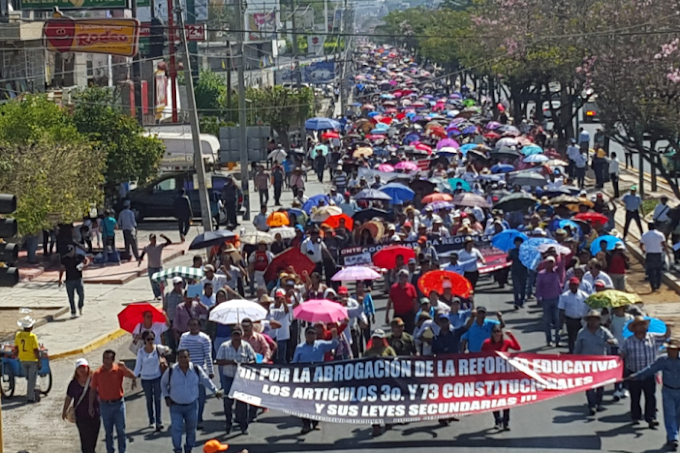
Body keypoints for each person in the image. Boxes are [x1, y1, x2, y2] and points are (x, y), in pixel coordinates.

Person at [161, 349, 223, 453]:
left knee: (191, 429)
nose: (183, 360)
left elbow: (206, 380)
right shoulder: (171, 370)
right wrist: (166, 396)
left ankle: (189, 448)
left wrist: (215, 391)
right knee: (176, 429)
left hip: (192, 405)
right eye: (180, 357)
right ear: (177, 358)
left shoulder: (196, 369)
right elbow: (163, 383)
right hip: (176, 406)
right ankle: (178, 449)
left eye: (185, 357)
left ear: (189, 358)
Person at [629, 338, 680, 451]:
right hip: (668, 390)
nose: (671, 351)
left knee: (677, 415)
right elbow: (651, 369)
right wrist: (637, 376)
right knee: (670, 414)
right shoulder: (663, 360)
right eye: (669, 349)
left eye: (673, 349)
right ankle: (673, 438)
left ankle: (672, 434)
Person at [620, 316, 671, 428]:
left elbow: (666, 337)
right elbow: (622, 354)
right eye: (638, 325)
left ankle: (651, 418)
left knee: (650, 396)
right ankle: (635, 417)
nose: (641, 327)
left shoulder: (653, 338)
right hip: (633, 373)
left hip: (649, 373)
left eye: (643, 324)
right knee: (635, 397)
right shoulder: (628, 341)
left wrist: (668, 328)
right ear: (634, 328)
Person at [292, 326, 338, 434]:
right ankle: (306, 424)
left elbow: (334, 344)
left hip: (317, 376)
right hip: (304, 377)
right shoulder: (300, 347)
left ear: (315, 336)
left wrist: (335, 335)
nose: (311, 336)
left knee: (316, 400)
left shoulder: (321, 345)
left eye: (313, 334)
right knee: (304, 402)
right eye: (309, 334)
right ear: (305, 335)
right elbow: (294, 362)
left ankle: (316, 422)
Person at [89, 349, 137, 453]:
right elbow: (92, 390)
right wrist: (91, 406)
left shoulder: (118, 370)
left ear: (113, 359)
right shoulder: (97, 373)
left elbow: (133, 375)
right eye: (104, 358)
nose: (106, 361)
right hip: (105, 405)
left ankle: (122, 451)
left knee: (121, 431)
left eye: (108, 358)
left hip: (118, 404)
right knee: (108, 432)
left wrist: (125, 368)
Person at [574, 310, 617, 415]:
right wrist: (575, 361)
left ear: (599, 321)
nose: (593, 322)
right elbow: (577, 348)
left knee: (600, 385)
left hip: (601, 363)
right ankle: (591, 405)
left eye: (595, 320)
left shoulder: (603, 331)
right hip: (587, 363)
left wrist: (611, 342)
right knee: (589, 385)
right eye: (591, 320)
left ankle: (598, 402)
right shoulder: (582, 333)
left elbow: (615, 341)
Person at [216, 327, 257, 434]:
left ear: (241, 335)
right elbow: (219, 361)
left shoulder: (246, 346)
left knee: (242, 403)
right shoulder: (224, 346)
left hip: (241, 378)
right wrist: (230, 362)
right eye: (235, 334)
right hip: (228, 377)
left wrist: (246, 364)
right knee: (228, 402)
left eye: (238, 334)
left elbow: (254, 359)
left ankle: (244, 426)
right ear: (231, 335)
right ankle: (228, 423)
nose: (237, 336)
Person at [178, 318, 214, 429]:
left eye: (195, 325)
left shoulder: (204, 338)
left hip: (200, 371)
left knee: (200, 398)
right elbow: (180, 352)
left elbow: (208, 355)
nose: (193, 327)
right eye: (191, 325)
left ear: (199, 326)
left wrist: (210, 370)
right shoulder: (184, 337)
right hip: (186, 371)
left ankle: (199, 419)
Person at [481, 325, 520, 429]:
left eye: (498, 332)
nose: (496, 334)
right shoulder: (486, 343)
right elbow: (481, 357)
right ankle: (497, 420)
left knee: (506, 398)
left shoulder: (505, 343)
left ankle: (506, 422)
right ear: (492, 333)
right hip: (491, 375)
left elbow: (517, 348)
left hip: (504, 375)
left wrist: (511, 336)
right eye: (494, 332)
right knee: (494, 398)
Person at [63, 358, 101, 453]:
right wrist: (64, 411)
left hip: (95, 414)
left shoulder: (94, 380)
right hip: (81, 416)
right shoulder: (73, 384)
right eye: (79, 368)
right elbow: (68, 398)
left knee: (92, 441)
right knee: (85, 441)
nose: (82, 370)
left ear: (88, 368)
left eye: (83, 367)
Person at [133, 331, 169, 431]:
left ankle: (159, 421)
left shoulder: (157, 348)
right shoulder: (141, 352)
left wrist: (166, 350)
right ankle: (151, 420)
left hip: (157, 377)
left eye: (152, 339)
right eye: (148, 339)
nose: (150, 341)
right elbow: (138, 366)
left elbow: (168, 350)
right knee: (149, 400)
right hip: (145, 379)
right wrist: (134, 377)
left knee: (157, 400)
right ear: (144, 340)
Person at [536, 256, 563, 347]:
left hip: (556, 298)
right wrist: (538, 297)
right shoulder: (541, 274)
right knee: (547, 321)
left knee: (557, 320)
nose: (550, 264)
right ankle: (549, 340)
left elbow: (562, 266)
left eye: (552, 262)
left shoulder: (556, 272)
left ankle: (558, 340)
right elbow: (538, 286)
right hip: (546, 299)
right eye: (548, 262)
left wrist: (562, 257)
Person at [559, 277, 590, 353]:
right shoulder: (564, 296)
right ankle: (572, 352)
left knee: (582, 337)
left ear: (578, 285)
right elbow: (561, 309)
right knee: (571, 337)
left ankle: (581, 352)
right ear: (569, 286)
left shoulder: (584, 296)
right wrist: (561, 322)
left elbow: (589, 308)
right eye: (572, 285)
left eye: (575, 285)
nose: (573, 286)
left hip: (581, 319)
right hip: (570, 319)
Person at [58, 244, 89, 318]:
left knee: (81, 295)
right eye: (69, 252)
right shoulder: (64, 259)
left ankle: (80, 306)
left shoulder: (79, 256)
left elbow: (87, 259)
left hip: (78, 279)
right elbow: (62, 269)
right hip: (69, 280)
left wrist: (84, 265)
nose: (70, 254)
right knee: (71, 297)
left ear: (74, 251)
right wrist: (60, 279)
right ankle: (73, 311)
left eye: (71, 252)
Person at [15, 316, 41, 403]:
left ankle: (33, 390)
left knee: (28, 378)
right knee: (31, 379)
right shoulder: (32, 337)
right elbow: (36, 350)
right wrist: (39, 361)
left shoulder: (18, 335)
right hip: (32, 360)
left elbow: (16, 348)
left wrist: (15, 355)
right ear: (31, 327)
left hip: (23, 359)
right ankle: (30, 397)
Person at [139, 233, 172, 299]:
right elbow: (142, 255)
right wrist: (139, 261)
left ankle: (161, 293)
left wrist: (164, 236)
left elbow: (169, 242)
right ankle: (157, 295)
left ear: (155, 239)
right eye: (151, 239)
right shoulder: (147, 247)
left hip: (158, 266)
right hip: (151, 267)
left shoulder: (159, 245)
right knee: (153, 282)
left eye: (153, 239)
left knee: (160, 282)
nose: (152, 241)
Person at [386, 269, 418, 334]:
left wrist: (417, 315)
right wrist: (387, 316)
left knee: (409, 333)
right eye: (400, 276)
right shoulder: (394, 288)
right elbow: (389, 302)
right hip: (398, 314)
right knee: (397, 333)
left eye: (404, 276)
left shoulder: (411, 288)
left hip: (409, 315)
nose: (401, 278)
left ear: (407, 277)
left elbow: (414, 302)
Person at [640, 222, 668, 292]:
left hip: (649, 254)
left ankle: (653, 286)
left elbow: (641, 245)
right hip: (658, 254)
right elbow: (664, 244)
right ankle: (658, 285)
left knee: (651, 271)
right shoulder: (660, 234)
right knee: (658, 270)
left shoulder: (645, 235)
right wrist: (667, 252)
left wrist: (643, 251)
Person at [507, 236, 528, 309]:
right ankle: (516, 302)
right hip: (515, 271)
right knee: (516, 288)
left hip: (524, 271)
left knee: (523, 287)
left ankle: (522, 301)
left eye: (519, 243)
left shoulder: (525, 251)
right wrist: (509, 255)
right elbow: (508, 260)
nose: (518, 244)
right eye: (517, 243)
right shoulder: (513, 251)